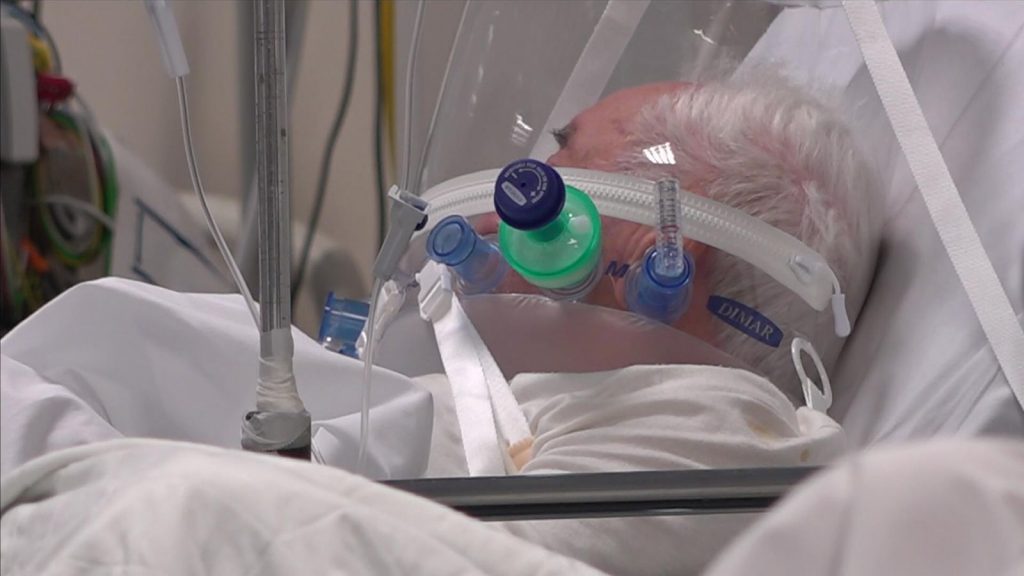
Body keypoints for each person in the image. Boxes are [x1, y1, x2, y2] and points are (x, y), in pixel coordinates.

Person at [0, 69, 878, 576]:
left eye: (560, 157)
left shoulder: (728, 440)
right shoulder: (521, 410)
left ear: (652, 258)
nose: (507, 183)